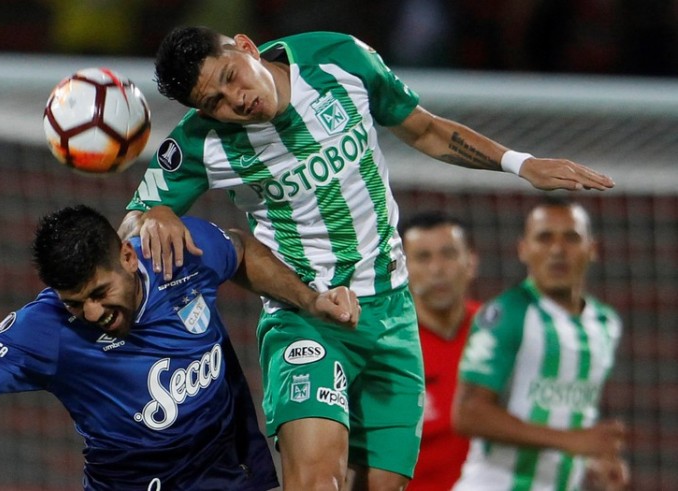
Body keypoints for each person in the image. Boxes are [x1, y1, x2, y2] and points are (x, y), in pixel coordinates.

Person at [118, 26, 615, 490]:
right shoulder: (200, 142)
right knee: (316, 481)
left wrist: (521, 164)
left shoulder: (338, 60)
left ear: (245, 47)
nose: (237, 101)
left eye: (231, 78)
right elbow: (134, 222)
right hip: (305, 316)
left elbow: (423, 130)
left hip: (393, 314)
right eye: (215, 103)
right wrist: (153, 211)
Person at [0, 204, 360, 491]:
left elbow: (238, 249)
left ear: (129, 257)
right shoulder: (40, 330)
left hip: (223, 465)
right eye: (74, 302)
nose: (89, 312)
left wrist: (309, 300)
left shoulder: (180, 255)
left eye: (98, 293)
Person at [452, 197, 628, 490]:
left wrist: (594, 460)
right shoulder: (508, 313)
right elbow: (468, 413)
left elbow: (569, 413)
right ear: (524, 249)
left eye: (571, 238)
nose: (558, 250)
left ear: (592, 249)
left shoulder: (606, 324)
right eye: (545, 238)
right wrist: (570, 441)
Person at [399, 211, 480, 491]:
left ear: (471, 262)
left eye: (448, 254)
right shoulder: (386, 349)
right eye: (423, 257)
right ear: (401, 268)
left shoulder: (503, 335)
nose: (437, 269)